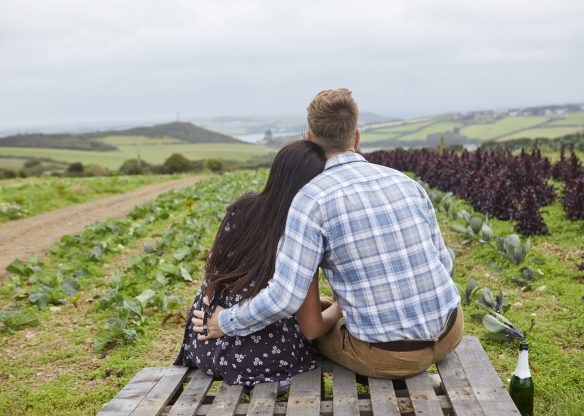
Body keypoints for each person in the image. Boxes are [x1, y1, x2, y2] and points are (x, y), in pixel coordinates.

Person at [192, 88, 463, 378]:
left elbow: (285, 299)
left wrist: (226, 321)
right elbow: (443, 263)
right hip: (450, 330)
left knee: (304, 329)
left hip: (389, 357)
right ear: (357, 137)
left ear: (309, 139)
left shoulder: (311, 200)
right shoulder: (406, 183)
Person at [174, 140, 342, 388]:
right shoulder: (301, 230)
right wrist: (341, 308)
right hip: (262, 359)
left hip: (204, 344)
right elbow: (312, 328)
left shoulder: (243, 207)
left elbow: (215, 273)